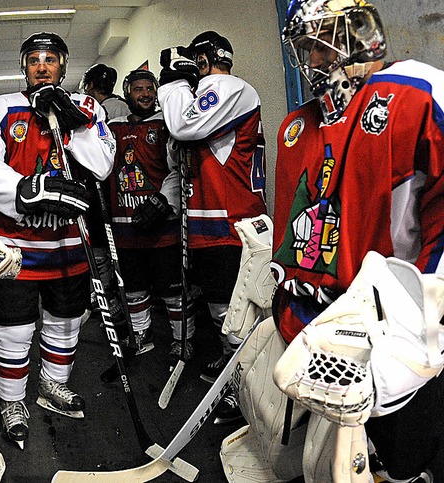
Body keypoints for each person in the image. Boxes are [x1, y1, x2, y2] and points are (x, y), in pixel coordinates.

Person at [220, 1, 444, 481]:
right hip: (316, 326)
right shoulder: (296, 127)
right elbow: (296, 234)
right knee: (330, 458)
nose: (316, 61)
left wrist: (417, 322)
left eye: (325, 43)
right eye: (306, 50)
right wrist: (278, 298)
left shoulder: (413, 94)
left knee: (399, 456)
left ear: (363, 34)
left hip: (387, 331)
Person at [0, 31, 115, 449]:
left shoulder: (87, 108)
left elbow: (102, 165)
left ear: (64, 66)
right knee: (12, 330)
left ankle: (53, 386)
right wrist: (29, 190)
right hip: (12, 249)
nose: (42, 65)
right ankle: (13, 401)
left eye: (51, 59)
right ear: (24, 66)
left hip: (70, 245)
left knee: (65, 324)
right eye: (33, 59)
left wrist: (76, 125)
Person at [157, 30, 267, 422]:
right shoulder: (214, 102)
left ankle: (248, 392)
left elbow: (185, 126)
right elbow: (183, 162)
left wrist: (171, 84)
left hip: (231, 225)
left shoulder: (228, 87)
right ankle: (233, 370)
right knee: (222, 311)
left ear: (203, 62)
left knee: (234, 316)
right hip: (210, 225)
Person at [106, 69, 195, 367]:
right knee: (133, 290)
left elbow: (177, 168)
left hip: (162, 228)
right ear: (127, 92)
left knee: (172, 292)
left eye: (149, 88)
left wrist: (163, 200)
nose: (145, 94)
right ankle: (141, 335)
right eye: (138, 89)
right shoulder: (112, 127)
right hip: (125, 227)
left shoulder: (166, 124)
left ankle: (182, 340)